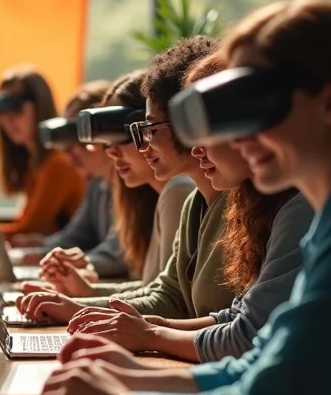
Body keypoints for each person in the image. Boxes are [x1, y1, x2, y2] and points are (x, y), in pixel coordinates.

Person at [39, 0, 331, 395]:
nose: (237, 138)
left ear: (330, 104)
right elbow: (260, 367)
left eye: (257, 110)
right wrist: (135, 376)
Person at [66, 53, 313, 362]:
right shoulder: (217, 201)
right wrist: (150, 329)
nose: (197, 147)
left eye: (215, 128)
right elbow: (236, 316)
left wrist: (146, 337)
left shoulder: (303, 210)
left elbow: (248, 336)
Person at [24, 38, 233, 323]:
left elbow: (243, 327)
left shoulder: (185, 192)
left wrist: (80, 305)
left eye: (148, 129)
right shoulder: (193, 203)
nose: (142, 144)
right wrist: (78, 302)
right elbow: (168, 295)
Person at [24, 70, 195, 297]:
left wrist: (82, 299)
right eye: (104, 141)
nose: (111, 152)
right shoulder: (160, 194)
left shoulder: (177, 190)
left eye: (126, 133)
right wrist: (85, 291)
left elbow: (167, 302)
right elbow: (155, 291)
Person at [21, 80, 126, 278]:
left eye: (79, 141)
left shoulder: (133, 185)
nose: (71, 157)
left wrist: (67, 265)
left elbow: (120, 255)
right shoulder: (97, 183)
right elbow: (76, 236)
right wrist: (40, 254)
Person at [0, 65, 85, 238]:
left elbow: (29, 228)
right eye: (2, 111)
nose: (8, 120)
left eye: (16, 107)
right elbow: (25, 223)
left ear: (40, 106)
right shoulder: (35, 164)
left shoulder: (58, 163)